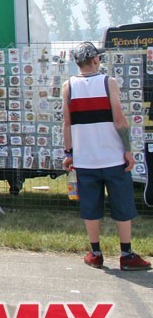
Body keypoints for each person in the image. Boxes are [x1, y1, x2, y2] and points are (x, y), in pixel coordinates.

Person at [62, 42, 149, 271]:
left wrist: (69, 153)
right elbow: (119, 119)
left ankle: (95, 253)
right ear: (95, 60)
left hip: (85, 159)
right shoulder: (108, 82)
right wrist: (128, 150)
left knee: (90, 207)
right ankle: (127, 255)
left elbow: (67, 123)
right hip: (113, 158)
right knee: (122, 205)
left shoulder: (68, 86)